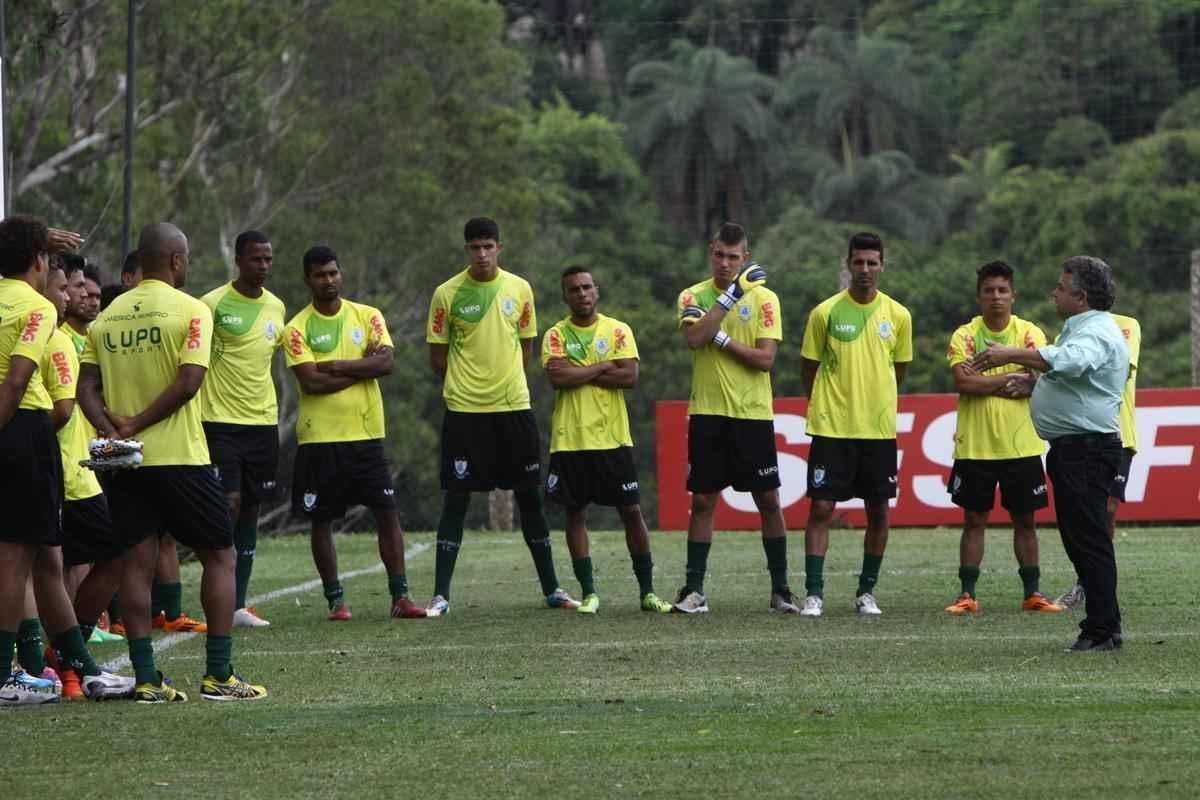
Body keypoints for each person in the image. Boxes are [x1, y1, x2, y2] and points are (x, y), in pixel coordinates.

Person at [78, 222, 268, 700]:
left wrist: (111, 428)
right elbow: (188, 384)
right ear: (178, 261)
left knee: (136, 564)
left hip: (125, 462)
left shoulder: (108, 314)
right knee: (219, 557)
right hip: (181, 456)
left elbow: (85, 388)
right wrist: (137, 423)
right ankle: (219, 674)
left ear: (140, 261)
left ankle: (146, 679)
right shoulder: (193, 310)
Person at [0, 216, 133, 705]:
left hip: (21, 432)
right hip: (22, 431)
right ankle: (7, 677)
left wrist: (31, 238)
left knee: (48, 562)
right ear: (38, 263)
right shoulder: (35, 308)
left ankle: (84, 668)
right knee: (15, 564)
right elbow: (16, 383)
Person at [971, 256, 1128, 651]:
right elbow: (1072, 380)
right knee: (1082, 540)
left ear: (1082, 296)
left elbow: (1072, 362)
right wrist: (1034, 384)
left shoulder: (1094, 332)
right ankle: (1105, 626)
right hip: (1076, 449)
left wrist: (1010, 354)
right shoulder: (1083, 329)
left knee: (1088, 540)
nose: (1053, 293)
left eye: (1060, 287)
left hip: (1086, 449)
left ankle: (1101, 629)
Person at [425, 217, 577, 615]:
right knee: (455, 500)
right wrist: (468, 383)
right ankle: (441, 595)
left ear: (499, 248)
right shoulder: (446, 293)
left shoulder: (519, 288)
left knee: (530, 496)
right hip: (464, 412)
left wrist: (503, 382)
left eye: (488, 246)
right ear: (466, 251)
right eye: (474, 247)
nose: (481, 254)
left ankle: (553, 589)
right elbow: (437, 357)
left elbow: (526, 346)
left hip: (513, 409)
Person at [284, 245, 425, 621]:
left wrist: (338, 365)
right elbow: (311, 382)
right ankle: (336, 601)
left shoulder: (368, 315)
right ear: (307, 280)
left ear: (340, 274)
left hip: (365, 435)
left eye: (333, 273)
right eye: (319, 275)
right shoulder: (296, 328)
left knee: (387, 512)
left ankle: (400, 597)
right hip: (319, 438)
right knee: (321, 520)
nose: (328, 280)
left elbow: (386, 362)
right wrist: (362, 368)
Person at [673, 221, 792, 614]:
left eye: (733, 257)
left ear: (746, 258)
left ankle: (781, 591)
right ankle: (694, 591)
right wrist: (731, 296)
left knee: (768, 500)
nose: (725, 263)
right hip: (708, 411)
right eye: (719, 255)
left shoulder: (766, 299)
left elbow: (765, 360)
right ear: (710, 251)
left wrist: (719, 335)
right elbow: (693, 338)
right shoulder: (692, 294)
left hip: (752, 413)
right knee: (704, 499)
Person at [542, 266, 672, 614]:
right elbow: (559, 378)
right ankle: (589, 593)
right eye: (574, 289)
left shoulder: (618, 329)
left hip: (613, 438)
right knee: (575, 514)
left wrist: (580, 370)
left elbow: (629, 376)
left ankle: (647, 592)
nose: (581, 294)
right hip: (571, 440)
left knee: (631, 511)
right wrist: (602, 367)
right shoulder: (555, 334)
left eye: (586, 287)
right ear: (565, 296)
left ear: (596, 291)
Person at [799, 232, 912, 617]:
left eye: (872, 262)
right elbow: (808, 370)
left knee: (879, 510)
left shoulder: (898, 316)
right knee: (821, 508)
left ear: (882, 265)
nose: (865, 269)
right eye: (858, 262)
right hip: (832, 428)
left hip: (877, 431)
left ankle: (866, 592)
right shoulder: (824, 313)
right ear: (848, 265)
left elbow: (899, 370)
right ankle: (814, 594)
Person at [942, 261, 1062, 615]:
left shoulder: (1029, 333)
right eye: (989, 290)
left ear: (1013, 295)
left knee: (1025, 520)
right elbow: (964, 383)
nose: (996, 296)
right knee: (974, 519)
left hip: (1020, 444)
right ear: (979, 296)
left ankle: (1033, 594)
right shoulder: (964, 335)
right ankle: (966, 595)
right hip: (976, 445)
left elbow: (1039, 381)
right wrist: (1011, 379)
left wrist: (990, 379)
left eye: (1002, 290)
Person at [200, 230, 286, 628]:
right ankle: (217, 593)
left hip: (262, 423)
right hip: (220, 422)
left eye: (268, 259)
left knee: (251, 507)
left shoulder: (277, 307)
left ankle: (238, 605)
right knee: (226, 505)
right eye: (256, 259)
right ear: (239, 260)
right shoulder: (212, 305)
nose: (263, 266)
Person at [1055, 312, 1140, 610]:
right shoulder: (1071, 329)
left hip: (1117, 434)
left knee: (1106, 509)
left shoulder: (1126, 325)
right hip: (1079, 433)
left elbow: (1115, 370)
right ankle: (1090, 582)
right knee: (1080, 515)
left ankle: (1093, 587)